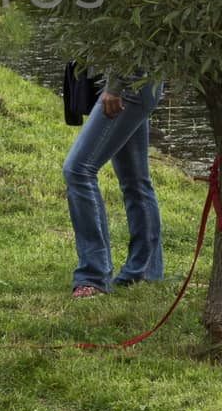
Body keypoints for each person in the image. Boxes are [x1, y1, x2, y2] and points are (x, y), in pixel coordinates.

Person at [60, 64, 165, 297]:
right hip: (128, 81)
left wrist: (116, 86)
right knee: (135, 180)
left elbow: (133, 36)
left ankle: (94, 276)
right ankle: (143, 270)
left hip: (128, 83)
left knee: (77, 170)